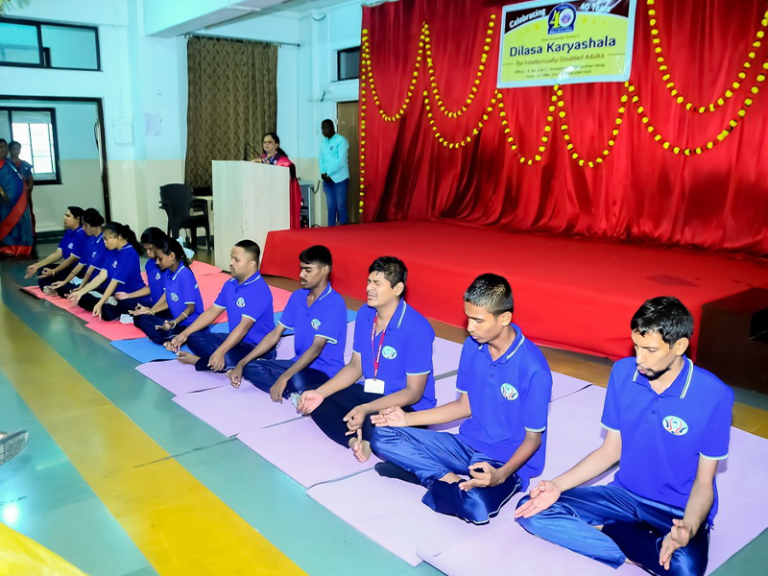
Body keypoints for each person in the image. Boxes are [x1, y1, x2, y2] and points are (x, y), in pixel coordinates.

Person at [515, 296, 734, 576]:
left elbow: (704, 482)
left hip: (678, 510)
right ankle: (634, 547)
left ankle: (611, 534)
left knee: (686, 570)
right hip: (623, 496)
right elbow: (610, 451)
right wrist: (556, 485)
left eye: (650, 350)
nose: (640, 359)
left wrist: (689, 527)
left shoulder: (715, 395)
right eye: (636, 346)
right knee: (531, 509)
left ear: (679, 346)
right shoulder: (622, 373)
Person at [370, 274, 552, 524]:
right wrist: (406, 419)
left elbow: (533, 439)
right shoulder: (472, 346)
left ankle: (426, 473)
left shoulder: (534, 368)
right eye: (468, 318)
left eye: (478, 320)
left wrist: (501, 474)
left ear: (504, 318)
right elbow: (464, 406)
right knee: (382, 435)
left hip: (502, 460)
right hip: (465, 445)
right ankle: (446, 480)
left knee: (476, 508)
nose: (470, 327)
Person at [297, 256, 436, 463]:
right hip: (372, 393)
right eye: (369, 281)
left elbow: (413, 393)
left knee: (378, 423)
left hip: (407, 405)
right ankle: (355, 440)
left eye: (377, 283)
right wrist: (320, 393)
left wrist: (365, 408)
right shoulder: (365, 314)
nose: (369, 288)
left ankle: (368, 433)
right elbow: (355, 366)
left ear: (397, 289)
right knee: (317, 400)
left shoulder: (417, 328)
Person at [228, 245, 347, 401]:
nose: (301, 274)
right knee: (250, 367)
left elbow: (316, 348)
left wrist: (284, 377)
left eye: (308, 270)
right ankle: (294, 391)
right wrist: (242, 363)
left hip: (325, 371)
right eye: (301, 269)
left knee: (295, 380)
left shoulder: (335, 303)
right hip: (297, 364)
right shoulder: (298, 297)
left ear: (324, 270)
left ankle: (296, 388)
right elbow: (275, 334)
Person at [166, 240, 276, 372]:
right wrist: (183, 335)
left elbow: (243, 327)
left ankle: (199, 361)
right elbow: (212, 311)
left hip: (257, 347)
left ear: (251, 264)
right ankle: (216, 361)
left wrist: (221, 351)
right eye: (231, 258)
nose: (231, 263)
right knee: (194, 337)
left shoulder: (259, 290)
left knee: (227, 357)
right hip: (236, 340)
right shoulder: (230, 284)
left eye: (236, 260)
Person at [67, 222, 150, 321]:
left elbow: (114, 282)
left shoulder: (129, 253)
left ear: (119, 237)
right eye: (103, 239)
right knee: (82, 297)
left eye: (106, 239)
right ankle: (108, 302)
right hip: (116, 295)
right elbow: (101, 276)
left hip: (130, 295)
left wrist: (100, 302)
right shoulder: (112, 251)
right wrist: (80, 292)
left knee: (106, 311)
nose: (104, 242)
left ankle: (115, 308)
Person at [132, 237, 204, 344]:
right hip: (176, 321)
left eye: (160, 259)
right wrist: (151, 311)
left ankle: (173, 336)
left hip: (189, 324)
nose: (157, 262)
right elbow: (167, 297)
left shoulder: (185, 274)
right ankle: (166, 334)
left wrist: (174, 323)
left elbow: (190, 308)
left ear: (171, 256)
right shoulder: (168, 273)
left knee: (159, 333)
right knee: (140, 318)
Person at [24, 207, 86, 290]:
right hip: (69, 268)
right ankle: (53, 288)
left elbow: (72, 259)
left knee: (57, 276)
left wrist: (54, 271)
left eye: (68, 216)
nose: (64, 218)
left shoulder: (82, 234)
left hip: (79, 271)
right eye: (65, 215)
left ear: (77, 219)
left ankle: (66, 286)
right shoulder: (69, 232)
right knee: (43, 270)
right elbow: (58, 253)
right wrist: (37, 265)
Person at [49, 208, 106, 297]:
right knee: (61, 285)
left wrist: (81, 287)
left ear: (95, 226)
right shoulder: (91, 239)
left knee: (82, 297)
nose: (83, 228)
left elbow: (91, 271)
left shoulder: (104, 242)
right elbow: (81, 264)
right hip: (88, 279)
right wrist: (64, 282)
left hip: (99, 282)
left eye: (85, 225)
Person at [253, 133, 303, 230]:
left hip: (279, 197)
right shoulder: (261, 158)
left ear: (276, 145)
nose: (266, 144)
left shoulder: (284, 161)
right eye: (264, 142)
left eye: (269, 142)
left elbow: (288, 179)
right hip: (263, 196)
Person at [113, 227, 169, 309]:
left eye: (150, 249)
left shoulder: (169, 263)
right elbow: (150, 287)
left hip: (167, 307)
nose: (148, 252)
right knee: (123, 303)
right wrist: (128, 295)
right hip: (153, 304)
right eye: (146, 249)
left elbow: (169, 295)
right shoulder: (149, 264)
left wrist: (152, 311)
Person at [0, 138, 34, 257]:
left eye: (5, 146)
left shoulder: (10, 163)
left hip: (20, 199)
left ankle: (22, 247)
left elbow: (27, 178)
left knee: (22, 223)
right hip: (6, 202)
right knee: (9, 224)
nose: (4, 149)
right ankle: (8, 248)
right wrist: (4, 195)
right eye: (1, 147)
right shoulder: (3, 163)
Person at [319, 119, 350, 227]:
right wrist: (323, 172)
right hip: (327, 180)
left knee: (340, 205)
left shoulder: (341, 140)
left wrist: (329, 173)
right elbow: (321, 158)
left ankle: (344, 228)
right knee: (331, 206)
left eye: (326, 128)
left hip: (340, 178)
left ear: (332, 128)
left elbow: (340, 161)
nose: (324, 131)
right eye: (322, 129)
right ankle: (331, 228)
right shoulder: (324, 142)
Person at [8, 141, 35, 236]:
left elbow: (30, 179)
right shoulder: (6, 163)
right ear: (9, 150)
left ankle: (28, 236)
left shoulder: (25, 164)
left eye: (18, 148)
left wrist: (28, 189)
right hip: (11, 195)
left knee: (26, 215)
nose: (16, 151)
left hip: (24, 195)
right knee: (12, 216)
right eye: (14, 148)